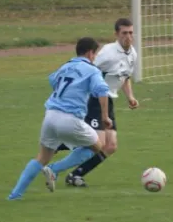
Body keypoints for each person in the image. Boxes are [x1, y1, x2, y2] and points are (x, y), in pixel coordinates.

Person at [7, 37, 112, 200]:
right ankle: (55, 169)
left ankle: (15, 195)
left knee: (42, 157)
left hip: (50, 116)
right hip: (70, 119)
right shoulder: (92, 70)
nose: (95, 57)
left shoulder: (65, 66)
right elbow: (102, 90)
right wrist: (105, 116)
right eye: (95, 53)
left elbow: (52, 80)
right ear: (90, 53)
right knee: (98, 146)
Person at [49, 18, 139, 187]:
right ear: (116, 34)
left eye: (131, 33)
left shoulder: (133, 54)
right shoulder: (108, 53)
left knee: (110, 146)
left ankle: (76, 174)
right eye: (124, 33)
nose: (128, 36)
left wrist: (130, 97)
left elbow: (125, 77)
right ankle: (56, 156)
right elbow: (86, 67)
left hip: (108, 100)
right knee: (96, 141)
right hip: (94, 99)